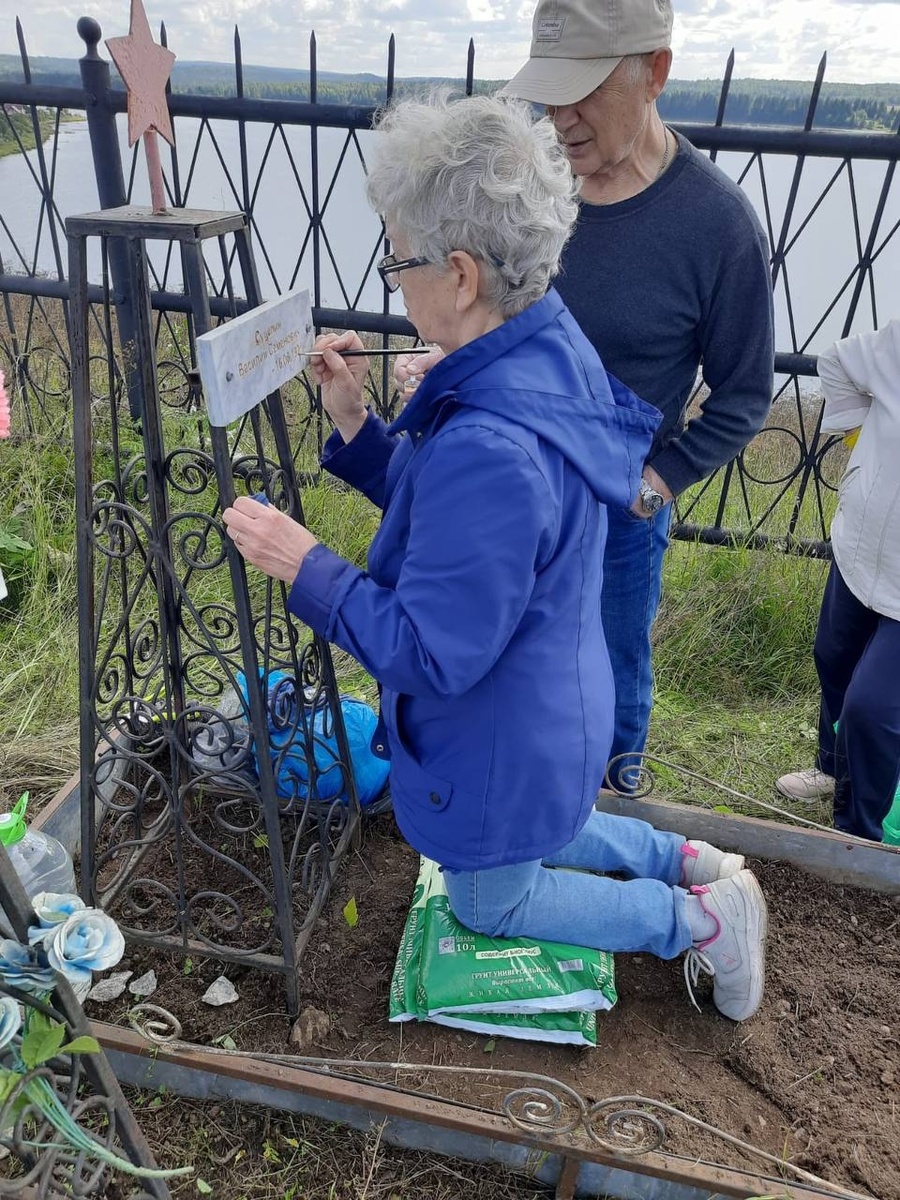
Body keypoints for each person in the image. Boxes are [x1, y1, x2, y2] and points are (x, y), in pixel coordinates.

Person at [224, 92, 768, 1021]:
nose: (394, 280)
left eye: (399, 258)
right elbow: (463, 528)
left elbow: (434, 650)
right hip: (551, 701)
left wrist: (304, 562)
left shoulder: (489, 435)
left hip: (503, 732)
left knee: (492, 896)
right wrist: (357, 420)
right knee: (549, 829)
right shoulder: (547, 349)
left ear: (463, 274)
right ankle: (689, 858)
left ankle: (699, 922)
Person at [397, 0, 775, 787]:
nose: (560, 118)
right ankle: (523, 808)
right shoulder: (531, 195)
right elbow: (493, 317)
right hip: (507, 488)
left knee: (610, 669)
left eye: (584, 89)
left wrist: (656, 483)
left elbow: (744, 395)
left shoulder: (718, 224)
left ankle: (616, 792)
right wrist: (451, 365)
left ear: (655, 72)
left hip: (620, 506)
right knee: (513, 667)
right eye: (548, 91)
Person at [776, 320, 900, 842]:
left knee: (870, 709)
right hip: (861, 549)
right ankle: (830, 768)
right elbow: (837, 361)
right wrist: (858, 434)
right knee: (834, 656)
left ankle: (858, 836)